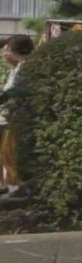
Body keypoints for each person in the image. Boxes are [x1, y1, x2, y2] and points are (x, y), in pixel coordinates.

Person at [0, 34, 34, 197]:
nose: (4, 53)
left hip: (15, 118)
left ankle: (15, 185)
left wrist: (4, 96)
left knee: (10, 153)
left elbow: (15, 92)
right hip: (10, 116)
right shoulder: (17, 68)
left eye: (7, 49)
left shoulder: (26, 69)